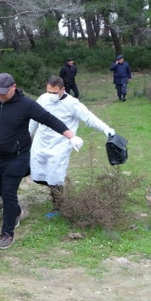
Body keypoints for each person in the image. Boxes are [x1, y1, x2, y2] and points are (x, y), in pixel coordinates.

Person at [0, 73, 81, 250]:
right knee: (1, 190)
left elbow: (49, 119)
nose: (0, 95)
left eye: (3, 92)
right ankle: (16, 212)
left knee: (9, 192)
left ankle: (7, 234)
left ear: (13, 87)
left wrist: (71, 136)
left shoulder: (26, 104)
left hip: (17, 157)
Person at [29, 76, 115, 212]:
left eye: (54, 93)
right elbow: (34, 118)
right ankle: (54, 190)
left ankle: (58, 206)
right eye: (48, 92)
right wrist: (28, 135)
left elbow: (89, 117)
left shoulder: (72, 104)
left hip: (60, 145)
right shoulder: (43, 99)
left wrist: (106, 129)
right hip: (42, 141)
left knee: (55, 176)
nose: (50, 95)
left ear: (63, 90)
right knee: (39, 174)